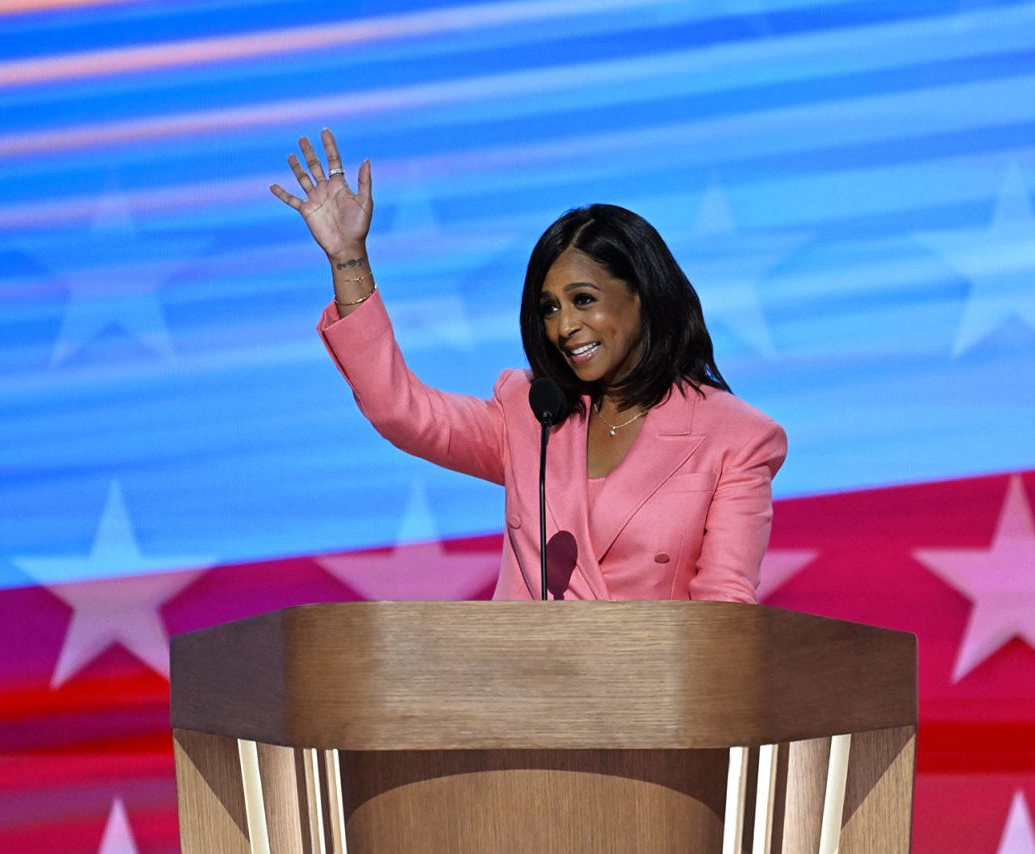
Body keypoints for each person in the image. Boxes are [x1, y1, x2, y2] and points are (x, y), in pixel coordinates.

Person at [271, 129, 787, 602]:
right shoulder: (532, 414)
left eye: (584, 300)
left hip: (652, 696)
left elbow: (725, 614)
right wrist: (348, 259)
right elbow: (399, 410)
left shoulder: (736, 438)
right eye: (549, 308)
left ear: (643, 296)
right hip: (526, 692)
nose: (563, 327)